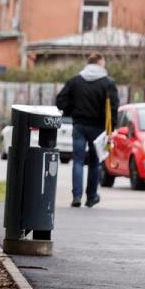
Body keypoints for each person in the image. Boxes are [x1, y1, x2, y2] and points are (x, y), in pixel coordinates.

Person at [55, 53, 120, 208]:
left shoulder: (75, 81)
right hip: (98, 128)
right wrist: (111, 127)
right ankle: (91, 197)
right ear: (100, 63)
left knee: (77, 160)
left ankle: (76, 196)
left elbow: (60, 101)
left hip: (79, 126)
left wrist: (72, 111)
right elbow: (113, 107)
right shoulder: (108, 83)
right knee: (95, 162)